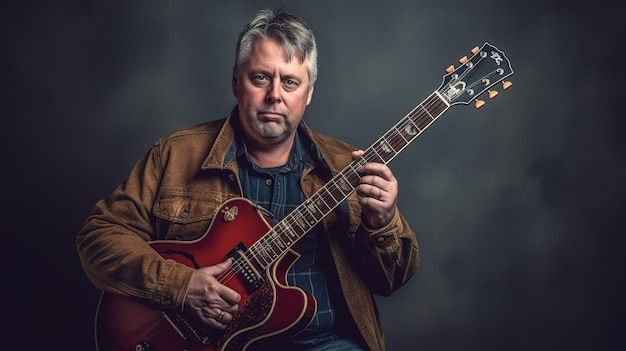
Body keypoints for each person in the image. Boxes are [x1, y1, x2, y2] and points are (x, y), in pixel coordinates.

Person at [77, 8, 419, 351]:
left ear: (309, 93)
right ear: (236, 82)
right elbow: (99, 238)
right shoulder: (175, 155)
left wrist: (382, 223)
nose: (275, 95)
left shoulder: (348, 168)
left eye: (290, 81)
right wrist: (182, 286)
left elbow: (391, 281)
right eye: (260, 78)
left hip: (324, 343)